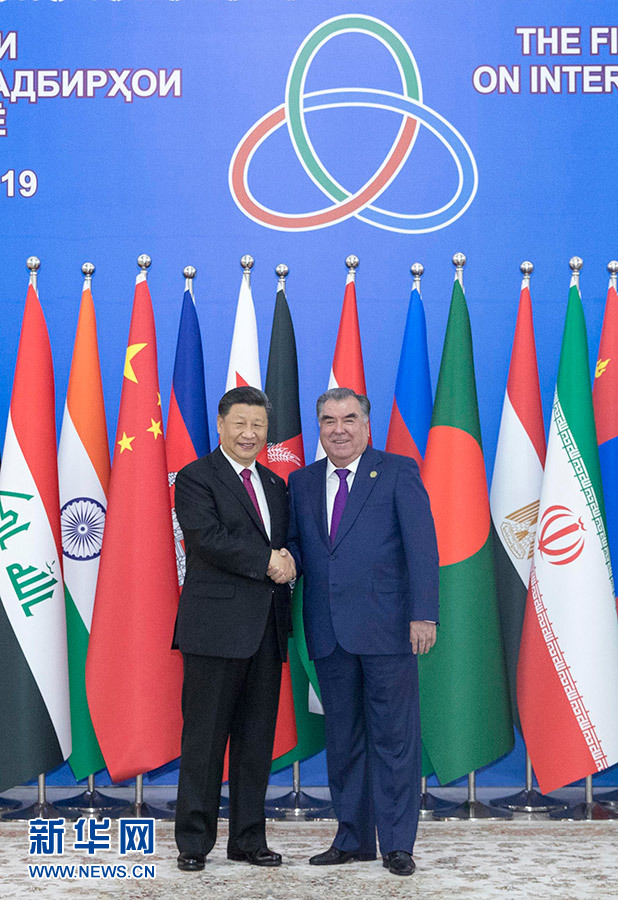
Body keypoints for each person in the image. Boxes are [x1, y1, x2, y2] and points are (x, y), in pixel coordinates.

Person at [287, 387, 439, 877]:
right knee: (344, 740)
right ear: (319, 427)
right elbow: (299, 545)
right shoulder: (301, 482)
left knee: (393, 741)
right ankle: (352, 838)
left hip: (388, 630)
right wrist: (283, 560)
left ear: (366, 425)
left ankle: (397, 844)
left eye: (349, 419)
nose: (339, 430)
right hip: (329, 632)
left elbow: (421, 546)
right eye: (329, 421)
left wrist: (424, 613)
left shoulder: (396, 471)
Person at [173, 386, 295, 872]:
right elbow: (208, 538)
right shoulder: (196, 477)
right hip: (215, 629)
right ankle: (193, 843)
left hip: (267, 629)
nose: (249, 433)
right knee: (204, 741)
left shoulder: (275, 484)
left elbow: (289, 544)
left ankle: (248, 839)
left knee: (255, 742)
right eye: (240, 423)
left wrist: (290, 560)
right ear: (221, 425)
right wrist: (268, 561)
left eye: (258, 425)